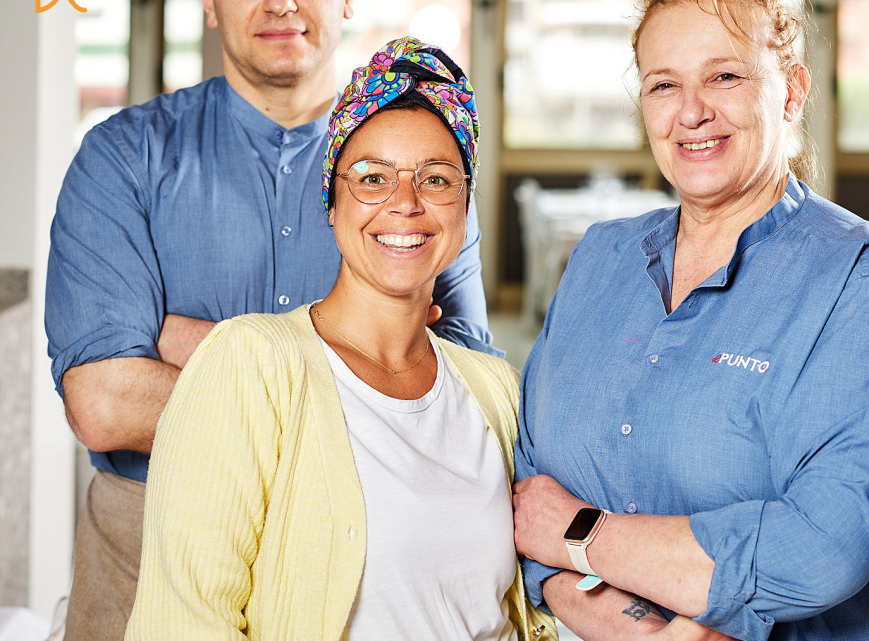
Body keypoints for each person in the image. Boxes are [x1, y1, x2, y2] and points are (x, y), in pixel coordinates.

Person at [44, 0, 495, 637]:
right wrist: (365, 368)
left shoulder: (413, 177)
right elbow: (104, 404)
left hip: (361, 547)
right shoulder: (122, 156)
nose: (281, 0)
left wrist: (182, 342)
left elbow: (461, 400)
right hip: (144, 539)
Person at [512, 0, 869, 641]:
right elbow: (529, 501)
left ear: (792, 92)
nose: (691, 112)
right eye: (663, 85)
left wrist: (582, 532)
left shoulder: (861, 278)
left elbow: (821, 549)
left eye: (725, 77)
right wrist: (644, 632)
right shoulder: (599, 259)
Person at [124, 38, 553, 641]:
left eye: (436, 179)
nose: (405, 204)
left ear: (464, 205)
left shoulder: (496, 389)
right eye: (373, 178)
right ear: (332, 201)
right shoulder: (251, 363)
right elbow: (184, 621)